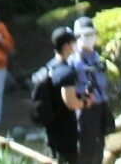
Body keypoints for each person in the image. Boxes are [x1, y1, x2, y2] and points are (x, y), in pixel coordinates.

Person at [29, 26, 95, 164]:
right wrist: (85, 103)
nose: (75, 45)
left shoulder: (50, 67)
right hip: (65, 133)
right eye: (73, 42)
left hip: (51, 128)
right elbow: (70, 102)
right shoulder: (66, 72)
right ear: (66, 46)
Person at [70, 15, 114, 164]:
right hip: (84, 107)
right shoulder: (73, 60)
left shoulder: (96, 57)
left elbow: (102, 81)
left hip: (100, 105)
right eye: (85, 35)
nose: (89, 38)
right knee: (85, 147)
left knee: (99, 145)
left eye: (91, 34)